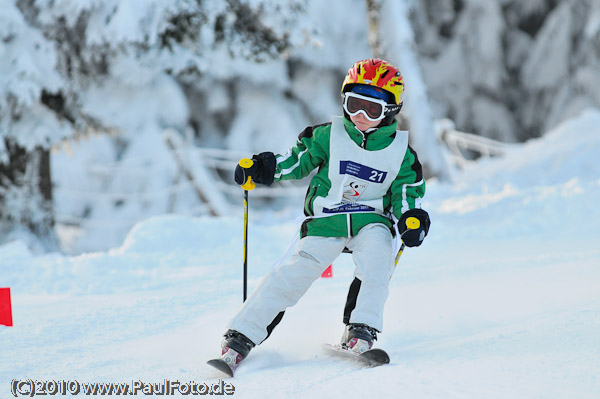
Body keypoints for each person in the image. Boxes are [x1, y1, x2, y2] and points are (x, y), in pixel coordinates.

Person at [217, 58, 430, 372]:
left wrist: (411, 217)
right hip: (326, 219)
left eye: (371, 110)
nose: (359, 116)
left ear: (389, 111)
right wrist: (264, 168)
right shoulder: (328, 136)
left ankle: (361, 331)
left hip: (372, 221)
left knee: (378, 260)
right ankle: (239, 338)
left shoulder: (401, 154)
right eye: (353, 104)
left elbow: (404, 194)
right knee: (292, 275)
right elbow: (297, 161)